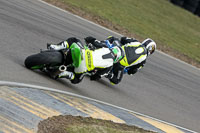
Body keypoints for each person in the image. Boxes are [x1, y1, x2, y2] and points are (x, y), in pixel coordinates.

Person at [47, 37, 124, 84]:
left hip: (82, 53)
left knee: (74, 40)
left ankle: (55, 47)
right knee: (76, 80)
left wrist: (88, 39)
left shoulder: (105, 46)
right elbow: (96, 77)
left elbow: (92, 40)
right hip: (82, 67)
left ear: (113, 48)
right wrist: (93, 76)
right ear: (117, 59)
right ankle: (65, 73)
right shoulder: (109, 66)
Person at [85, 36, 156, 85]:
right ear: (151, 51)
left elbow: (123, 39)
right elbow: (132, 71)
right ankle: (109, 74)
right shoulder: (143, 61)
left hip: (117, 51)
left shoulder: (136, 42)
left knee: (113, 38)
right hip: (120, 65)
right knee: (116, 81)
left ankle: (98, 45)